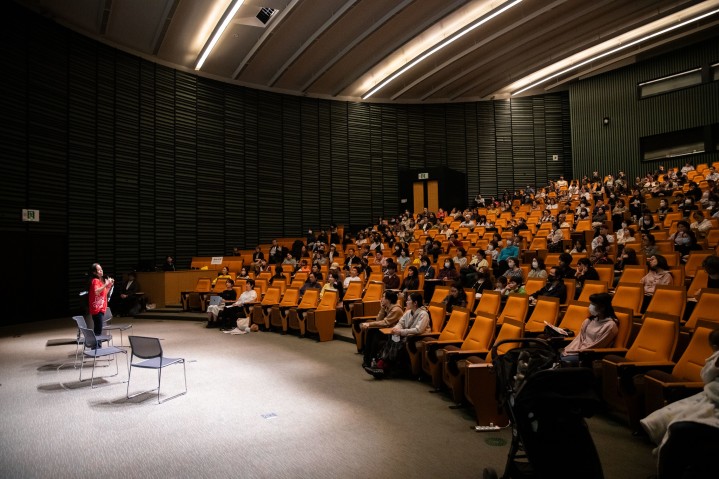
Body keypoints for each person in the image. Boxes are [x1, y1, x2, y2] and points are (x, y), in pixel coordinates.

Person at [640, 329, 719, 479]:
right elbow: (707, 377)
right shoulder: (717, 358)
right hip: (709, 398)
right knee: (667, 420)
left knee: (679, 428)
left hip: (713, 405)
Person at [364, 292, 430, 378]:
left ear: (415, 303)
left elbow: (418, 330)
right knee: (392, 337)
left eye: (409, 300)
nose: (406, 302)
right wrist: (397, 328)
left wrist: (401, 331)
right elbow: (400, 323)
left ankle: (382, 365)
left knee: (396, 342)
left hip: (416, 338)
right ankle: (382, 366)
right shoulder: (408, 312)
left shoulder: (423, 314)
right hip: (406, 335)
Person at [560, 293, 618, 363]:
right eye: (590, 303)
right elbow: (580, 338)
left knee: (563, 359)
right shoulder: (589, 321)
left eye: (593, 304)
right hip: (579, 350)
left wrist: (578, 352)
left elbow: (598, 346)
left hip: (589, 354)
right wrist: (570, 350)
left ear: (603, 307)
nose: (590, 307)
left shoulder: (610, 325)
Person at [359, 290, 404, 368]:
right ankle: (367, 359)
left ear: (388, 299)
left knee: (376, 334)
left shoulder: (396, 310)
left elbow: (385, 323)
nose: (381, 298)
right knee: (371, 331)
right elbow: (378, 320)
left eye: (383, 297)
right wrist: (382, 309)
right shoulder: (387, 307)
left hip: (393, 333)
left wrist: (369, 324)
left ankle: (372, 359)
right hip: (386, 330)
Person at [88, 263, 115, 335]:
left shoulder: (100, 281)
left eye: (101, 269)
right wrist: (106, 284)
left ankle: (97, 345)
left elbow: (104, 294)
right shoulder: (95, 281)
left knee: (98, 329)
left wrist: (109, 285)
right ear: (94, 272)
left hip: (101, 308)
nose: (101, 271)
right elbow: (96, 292)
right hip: (97, 309)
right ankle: (96, 346)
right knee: (98, 330)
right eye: (99, 270)